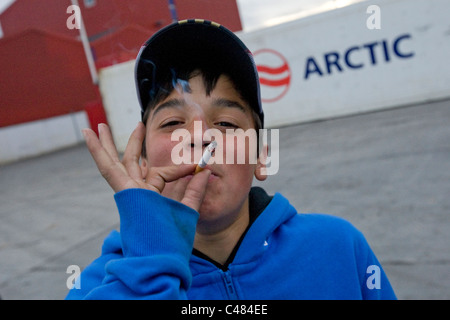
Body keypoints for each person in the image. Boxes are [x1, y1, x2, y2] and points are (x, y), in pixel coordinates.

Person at [66, 19, 396, 300]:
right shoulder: (96, 287)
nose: (199, 136)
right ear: (141, 161)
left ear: (261, 157)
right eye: (171, 123)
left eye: (225, 123)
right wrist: (149, 267)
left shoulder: (339, 248)